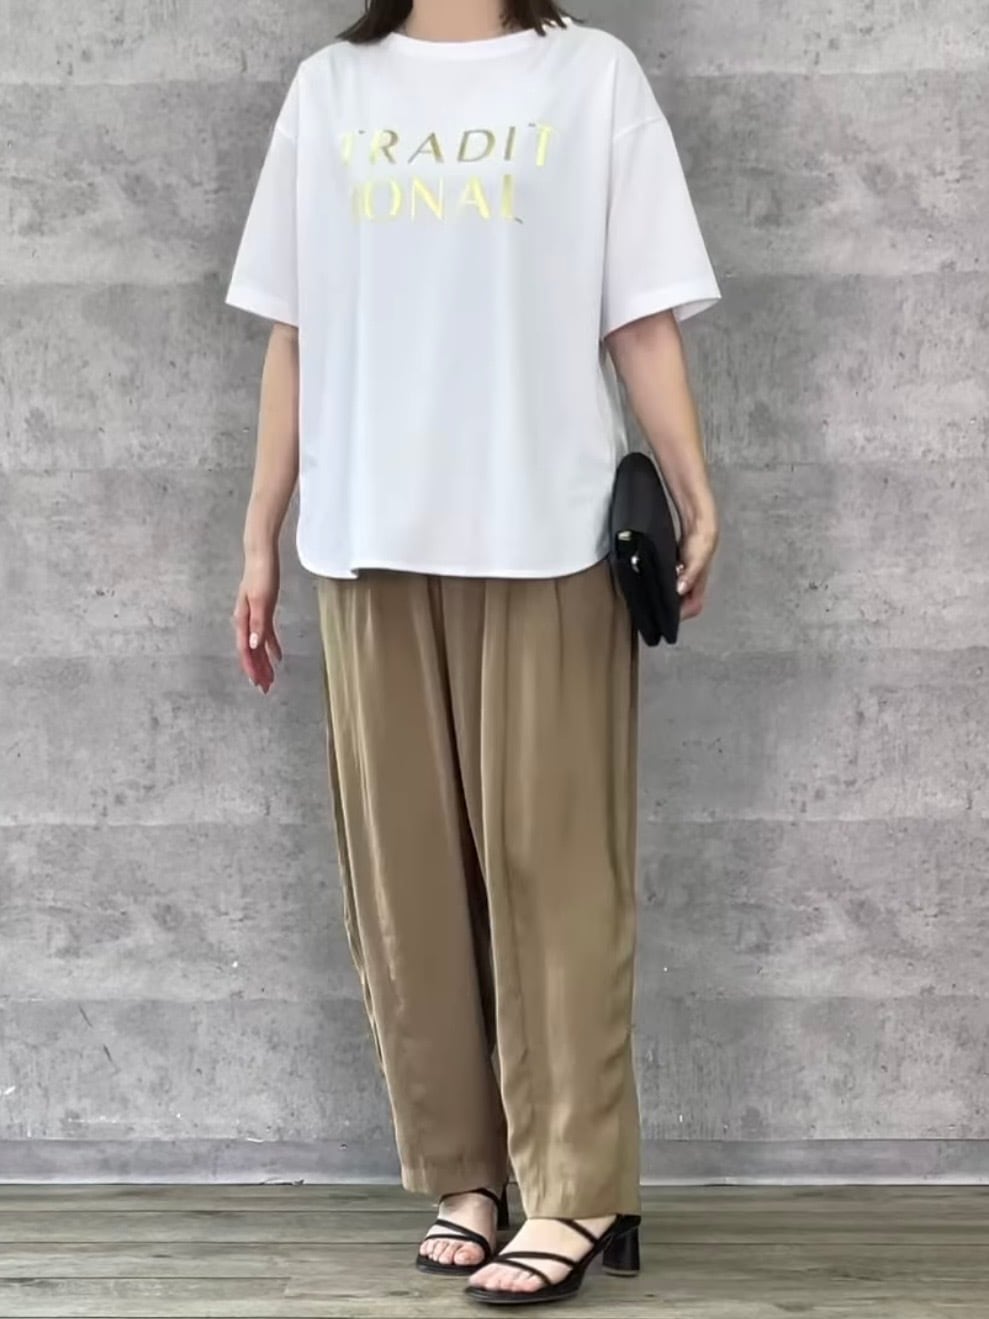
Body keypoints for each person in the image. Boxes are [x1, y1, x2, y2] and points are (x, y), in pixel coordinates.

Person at [225, 0, 721, 1305]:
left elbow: (638, 314)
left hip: (544, 530)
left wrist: (692, 483)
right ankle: (467, 1174)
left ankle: (576, 1188)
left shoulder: (590, 77)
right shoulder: (330, 90)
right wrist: (260, 534)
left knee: (558, 876)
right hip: (365, 537)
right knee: (408, 886)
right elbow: (293, 332)